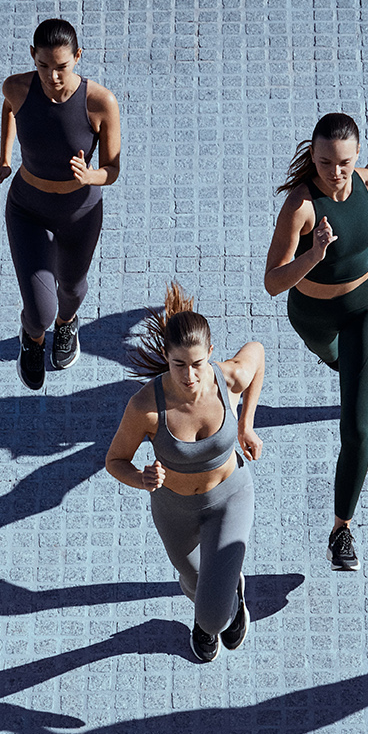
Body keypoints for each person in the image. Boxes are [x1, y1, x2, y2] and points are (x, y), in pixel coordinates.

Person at [263, 112, 368, 571]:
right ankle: (342, 364)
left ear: (356, 154)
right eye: (325, 162)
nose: (336, 172)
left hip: (367, 304)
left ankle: (342, 528)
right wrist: (315, 253)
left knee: (357, 427)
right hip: (314, 317)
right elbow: (272, 282)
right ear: (314, 154)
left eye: (344, 162)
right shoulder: (301, 208)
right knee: (335, 360)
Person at [105, 283, 265, 661]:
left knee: (211, 617)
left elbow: (256, 354)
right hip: (174, 510)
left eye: (197, 364)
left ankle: (220, 607)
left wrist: (246, 425)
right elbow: (115, 461)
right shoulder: (145, 406)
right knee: (193, 581)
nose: (190, 375)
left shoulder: (226, 379)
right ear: (167, 356)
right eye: (179, 365)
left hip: (230, 498)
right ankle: (226, 592)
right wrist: (140, 479)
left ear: (210, 353)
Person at [0, 17, 122, 390]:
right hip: (28, 209)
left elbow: (113, 169)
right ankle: (33, 339)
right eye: (43, 65)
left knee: (72, 290)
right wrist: (4, 161)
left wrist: (90, 176)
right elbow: (9, 108)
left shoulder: (100, 102)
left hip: (80, 212)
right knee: (39, 311)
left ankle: (67, 326)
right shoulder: (17, 87)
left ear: (77, 57)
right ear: (33, 57)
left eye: (61, 66)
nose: (52, 76)